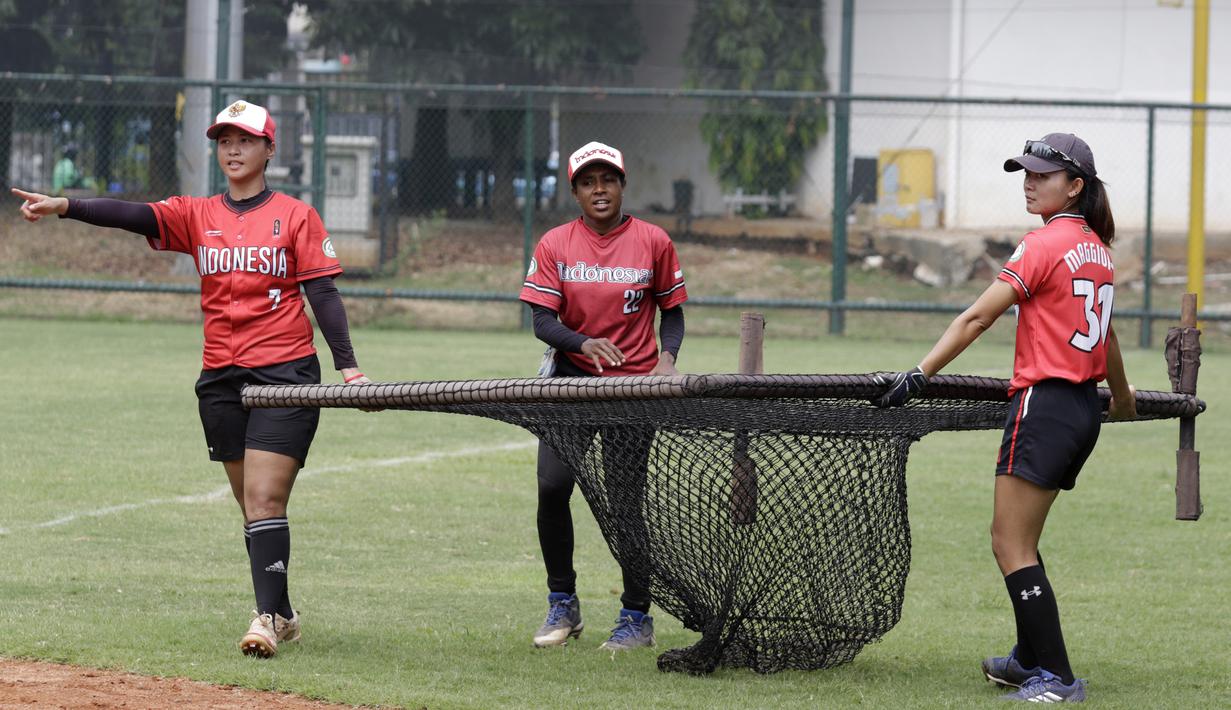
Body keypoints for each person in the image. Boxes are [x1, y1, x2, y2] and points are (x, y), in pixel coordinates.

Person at [12, 99, 371, 659]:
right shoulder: (197, 214)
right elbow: (135, 216)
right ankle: (283, 609)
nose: (232, 148)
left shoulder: (297, 216)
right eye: (224, 139)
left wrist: (349, 368)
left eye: (245, 139)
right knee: (251, 507)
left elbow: (322, 292)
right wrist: (65, 205)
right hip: (221, 378)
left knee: (264, 497)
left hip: (285, 373)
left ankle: (264, 622)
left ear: (269, 149)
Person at [873, 132, 1135, 703]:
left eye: (1042, 174)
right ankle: (1026, 659)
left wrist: (920, 373)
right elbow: (1106, 334)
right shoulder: (1099, 249)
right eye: (1026, 172)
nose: (1030, 181)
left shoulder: (1043, 244)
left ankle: (1058, 678)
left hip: (1044, 406)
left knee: (1009, 544)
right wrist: (1122, 395)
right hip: (1080, 410)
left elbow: (976, 319)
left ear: (1075, 187)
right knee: (1025, 541)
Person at [519, 140, 688, 651]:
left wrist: (667, 360)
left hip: (632, 390)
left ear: (621, 185)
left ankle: (636, 615)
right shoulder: (554, 244)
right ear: (574, 190)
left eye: (608, 179)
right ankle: (562, 604)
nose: (599, 189)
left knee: (624, 504)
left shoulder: (653, 240)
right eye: (588, 181)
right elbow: (542, 321)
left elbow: (672, 311)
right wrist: (583, 342)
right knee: (552, 487)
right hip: (570, 386)